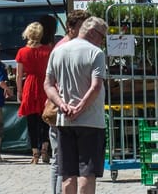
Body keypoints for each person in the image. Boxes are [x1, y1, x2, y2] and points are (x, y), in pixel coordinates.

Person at [47, 16, 110, 194]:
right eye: (101, 36)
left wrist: (61, 104)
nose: (102, 41)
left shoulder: (58, 51)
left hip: (64, 121)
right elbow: (96, 86)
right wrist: (80, 108)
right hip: (91, 121)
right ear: (91, 32)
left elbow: (48, 84)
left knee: (67, 174)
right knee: (87, 174)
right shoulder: (95, 53)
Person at [15, 21, 54, 165]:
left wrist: (19, 90)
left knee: (31, 121)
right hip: (45, 84)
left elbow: (19, 75)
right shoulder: (48, 50)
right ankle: (45, 148)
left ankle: (34, 152)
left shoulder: (22, 52)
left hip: (30, 85)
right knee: (46, 119)